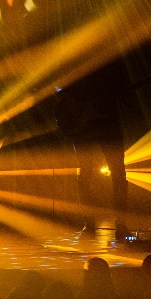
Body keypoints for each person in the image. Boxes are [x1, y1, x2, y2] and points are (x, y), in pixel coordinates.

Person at [55, 59, 129, 239]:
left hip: (105, 122)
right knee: (110, 173)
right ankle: (96, 223)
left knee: (112, 173)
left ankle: (106, 223)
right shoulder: (78, 64)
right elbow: (59, 89)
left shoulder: (105, 64)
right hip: (97, 124)